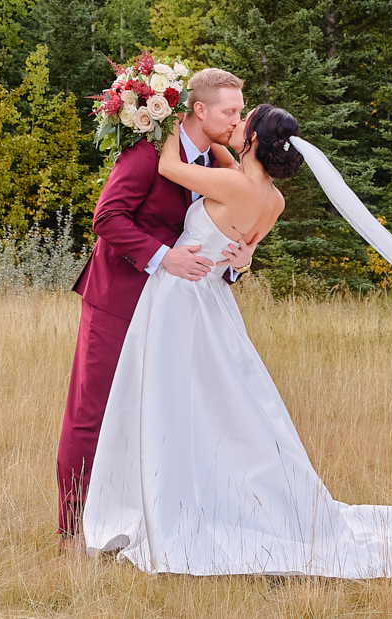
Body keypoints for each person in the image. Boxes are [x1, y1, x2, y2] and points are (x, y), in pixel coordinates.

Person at [78, 102, 392, 577]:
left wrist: (160, 113)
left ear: (252, 141)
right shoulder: (272, 199)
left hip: (181, 302)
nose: (236, 122)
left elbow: (168, 164)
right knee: (223, 408)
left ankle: (173, 501)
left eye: (243, 121)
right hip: (214, 305)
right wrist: (235, 166)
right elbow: (243, 253)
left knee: (177, 404)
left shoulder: (228, 182)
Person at [55, 67, 255, 537]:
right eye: (230, 111)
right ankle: (71, 531)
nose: (236, 120)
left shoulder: (214, 166)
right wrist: (163, 258)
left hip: (172, 314)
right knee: (93, 414)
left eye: (240, 111)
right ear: (199, 109)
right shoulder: (146, 153)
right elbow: (106, 217)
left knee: (158, 416)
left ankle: (136, 522)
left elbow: (208, 238)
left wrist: (236, 262)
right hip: (118, 302)